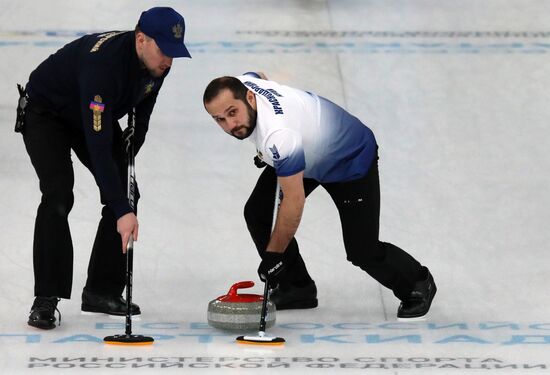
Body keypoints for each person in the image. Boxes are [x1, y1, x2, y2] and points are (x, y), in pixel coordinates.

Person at [203, 72, 437, 320]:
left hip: (349, 158)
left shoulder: (279, 134)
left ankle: (417, 283)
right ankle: (296, 288)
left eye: (232, 112)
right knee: (258, 212)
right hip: (304, 152)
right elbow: (258, 75)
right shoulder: (246, 84)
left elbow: (294, 202)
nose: (230, 125)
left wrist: (274, 255)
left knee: (362, 250)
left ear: (250, 98)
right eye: (219, 119)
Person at [17, 7, 191, 330]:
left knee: (125, 191)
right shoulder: (104, 67)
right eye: (164, 50)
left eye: (175, 53)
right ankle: (46, 298)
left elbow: (143, 113)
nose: (169, 61)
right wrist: (122, 210)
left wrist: (130, 148)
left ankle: (101, 290)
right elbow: (98, 146)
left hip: (90, 117)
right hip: (47, 114)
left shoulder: (158, 66)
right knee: (58, 192)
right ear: (141, 39)